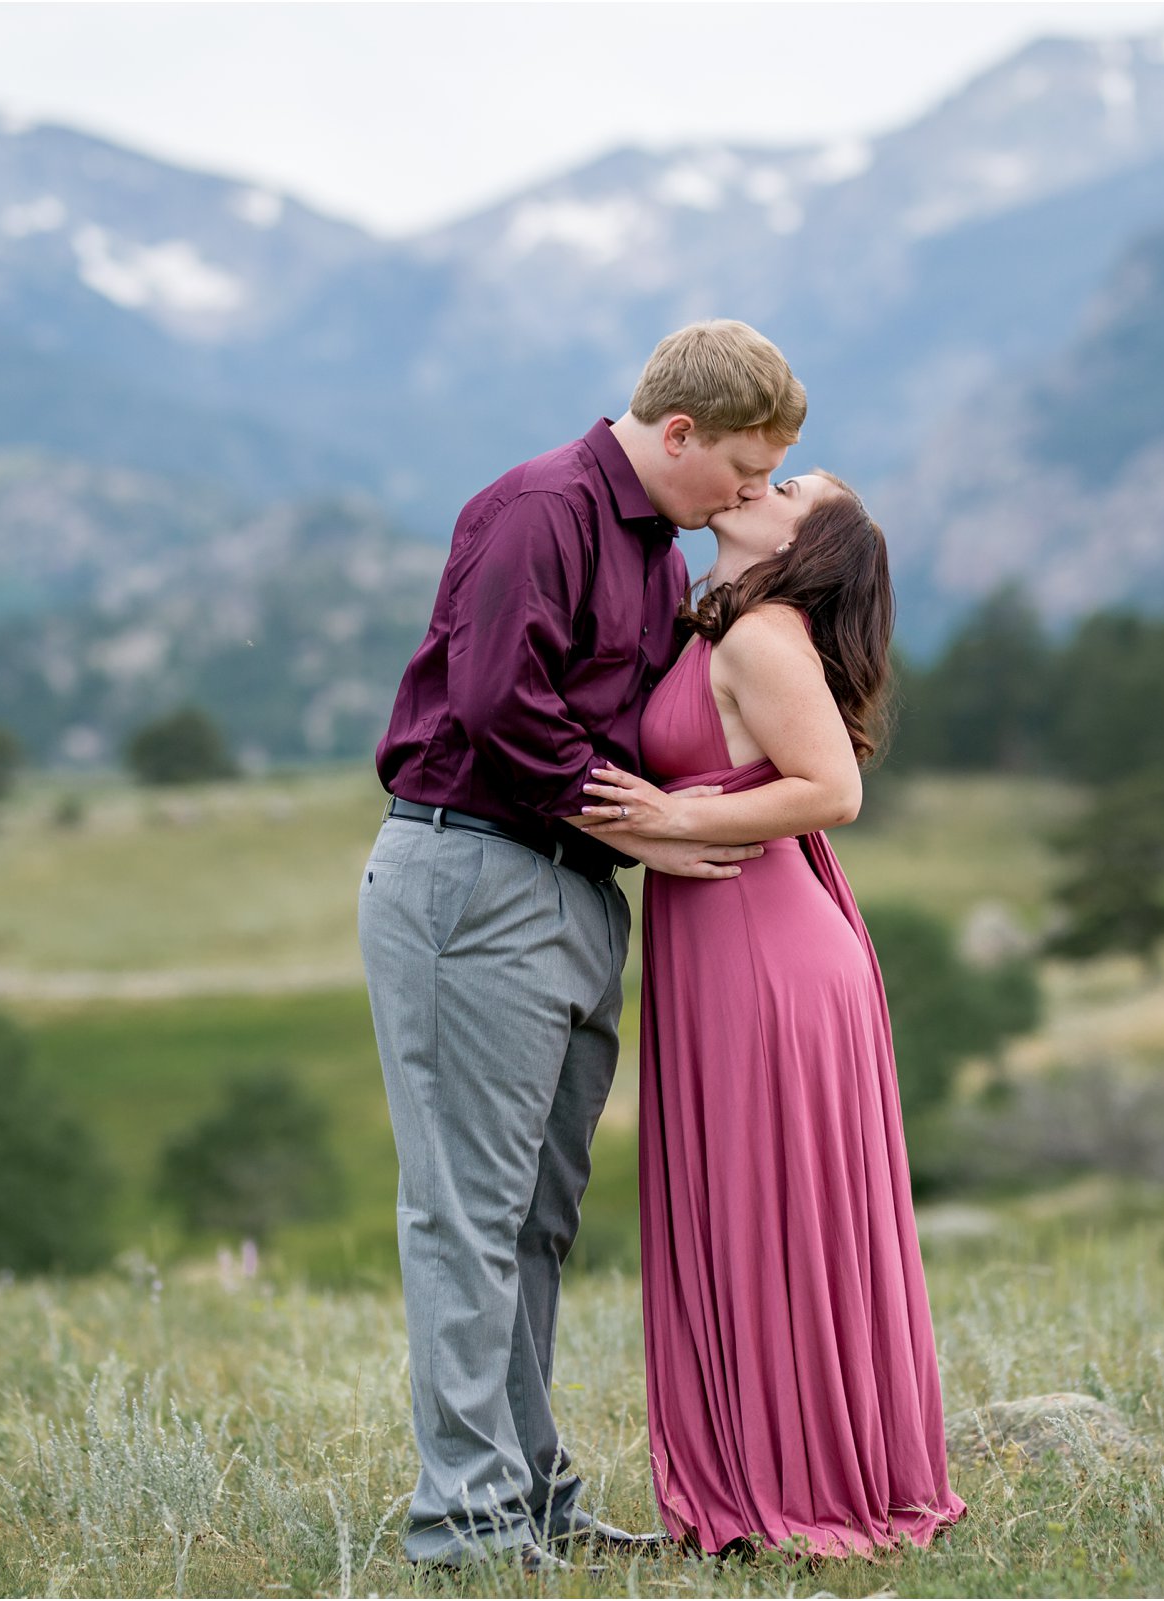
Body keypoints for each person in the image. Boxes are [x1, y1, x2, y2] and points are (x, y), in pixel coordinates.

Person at [359, 320, 808, 1570]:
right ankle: (465, 1526)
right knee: (467, 1213)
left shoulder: (657, 559)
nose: (749, 495)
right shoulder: (537, 510)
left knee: (537, 1215)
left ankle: (532, 1500)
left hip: (569, 886)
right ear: (678, 433)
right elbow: (504, 704)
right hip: (474, 878)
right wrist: (648, 828)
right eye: (744, 470)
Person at [569, 471, 968, 1559]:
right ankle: (760, 1478)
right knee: (749, 1213)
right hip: (725, 949)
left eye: (788, 483)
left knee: (771, 1213)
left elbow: (831, 788)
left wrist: (663, 809)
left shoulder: (765, 637)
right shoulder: (726, 627)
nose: (759, 478)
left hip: (767, 957)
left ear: (808, 541)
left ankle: (803, 1484)